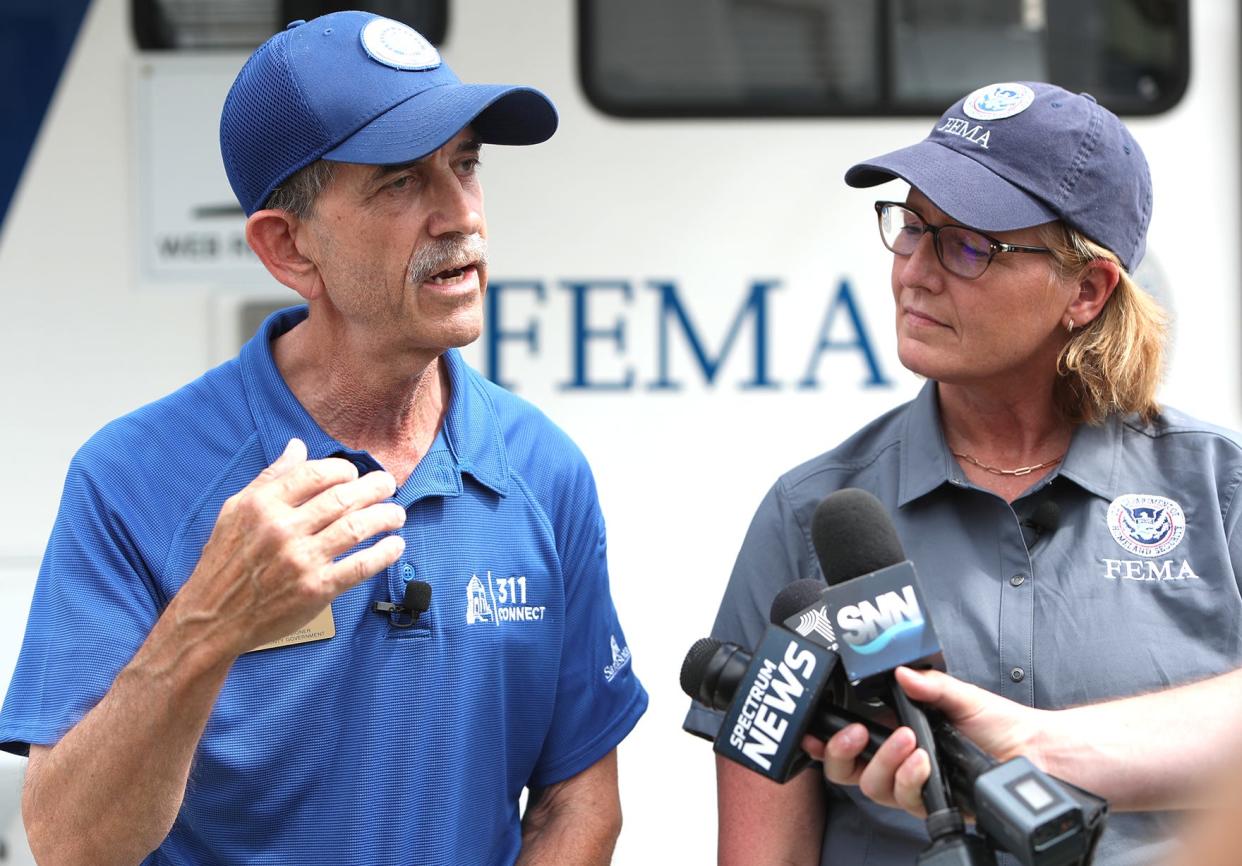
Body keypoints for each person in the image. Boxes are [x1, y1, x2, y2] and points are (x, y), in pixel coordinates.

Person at [0, 11, 647, 865]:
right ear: (288, 247)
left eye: (465, 165)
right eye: (401, 182)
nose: (461, 215)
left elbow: (578, 804)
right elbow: (72, 844)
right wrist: (210, 622)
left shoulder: (542, 468)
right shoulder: (132, 479)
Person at [683, 80, 1242, 865]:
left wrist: (1042, 748)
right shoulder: (808, 515)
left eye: (970, 244)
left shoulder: (1222, 491)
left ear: (1086, 290)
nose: (914, 271)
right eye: (910, 227)